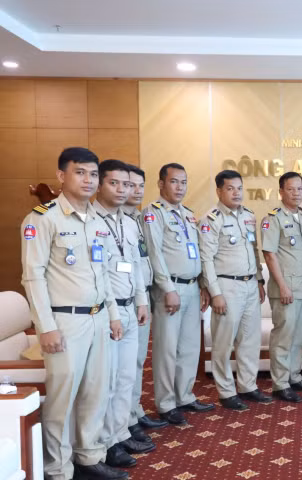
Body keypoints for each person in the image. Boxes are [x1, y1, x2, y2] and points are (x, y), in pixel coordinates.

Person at [21, 147, 127, 480]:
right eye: (80, 172)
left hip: (98, 318)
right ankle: (57, 468)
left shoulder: (97, 220)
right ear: (61, 176)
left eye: (93, 174)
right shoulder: (43, 218)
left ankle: (88, 457)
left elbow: (103, 273)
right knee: (62, 399)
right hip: (64, 321)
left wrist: (112, 314)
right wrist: (46, 327)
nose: (88, 180)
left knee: (96, 392)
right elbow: (33, 277)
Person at [93, 160, 155, 469]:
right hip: (109, 311)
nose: (123, 190)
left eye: (128, 185)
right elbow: (99, 274)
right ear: (100, 184)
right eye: (115, 183)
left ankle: (119, 435)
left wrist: (141, 301)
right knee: (109, 380)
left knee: (127, 377)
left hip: (132, 307)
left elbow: (136, 268)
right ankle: (105, 443)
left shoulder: (129, 223)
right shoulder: (91, 221)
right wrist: (114, 312)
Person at [142, 163, 213, 426]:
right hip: (169, 289)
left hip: (192, 287)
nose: (180, 187)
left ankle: (184, 396)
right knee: (167, 349)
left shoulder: (188, 215)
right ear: (161, 184)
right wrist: (168, 289)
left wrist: (203, 284)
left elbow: (197, 253)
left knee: (189, 347)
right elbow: (154, 254)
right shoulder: (153, 213)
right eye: (174, 181)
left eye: (183, 182)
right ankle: (166, 403)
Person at [199, 170, 270, 410]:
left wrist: (259, 280)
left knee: (249, 340)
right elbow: (206, 259)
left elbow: (254, 251)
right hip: (226, 286)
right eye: (230, 188)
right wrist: (215, 292)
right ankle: (226, 391)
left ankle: (248, 386)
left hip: (250, 284)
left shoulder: (248, 215)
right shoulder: (211, 219)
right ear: (219, 191)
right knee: (223, 341)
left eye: (239, 188)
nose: (236, 193)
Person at [262, 172, 302, 403]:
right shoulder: (273, 219)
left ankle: (294, 376)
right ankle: (280, 383)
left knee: (298, 335)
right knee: (283, 336)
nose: (296, 193)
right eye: (291, 189)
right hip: (285, 289)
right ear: (281, 191)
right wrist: (282, 286)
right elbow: (269, 255)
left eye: (300, 188)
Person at [123, 165, 168, 441]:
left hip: (142, 296)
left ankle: (135, 410)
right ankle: (125, 421)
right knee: (125, 365)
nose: (137, 191)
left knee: (139, 360)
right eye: (130, 185)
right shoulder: (113, 221)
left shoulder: (137, 218)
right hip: (122, 301)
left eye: (141, 186)